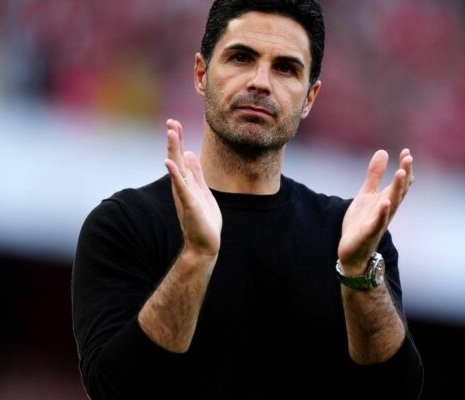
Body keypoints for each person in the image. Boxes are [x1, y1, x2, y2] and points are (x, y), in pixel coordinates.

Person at [72, 0, 423, 398]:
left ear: (310, 98)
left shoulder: (350, 236)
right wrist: (196, 257)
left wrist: (358, 271)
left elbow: (396, 390)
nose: (260, 82)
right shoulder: (124, 224)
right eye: (241, 58)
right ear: (201, 73)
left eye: (285, 68)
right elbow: (114, 389)